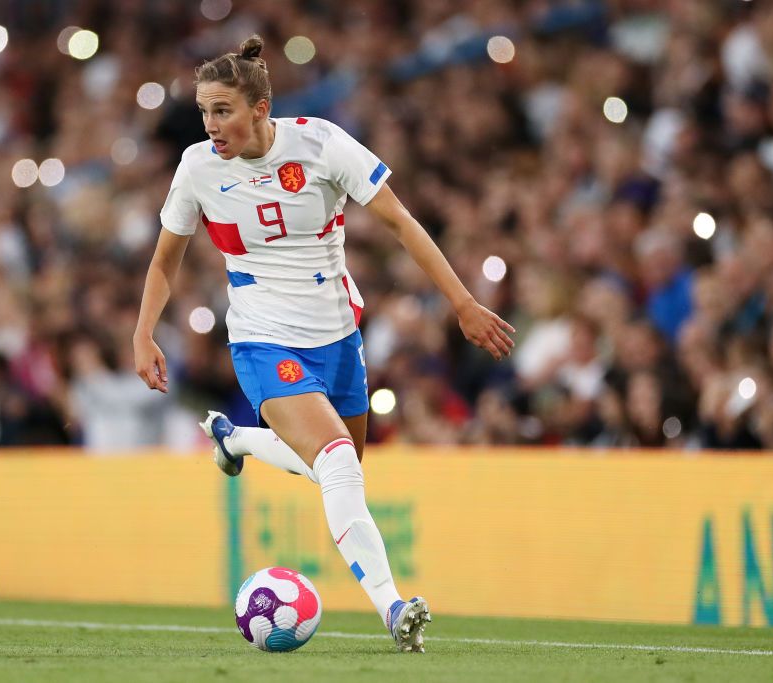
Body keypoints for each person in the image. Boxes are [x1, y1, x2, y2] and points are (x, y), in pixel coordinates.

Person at [134, 35, 515, 653]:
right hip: (262, 338)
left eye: (223, 110)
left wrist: (463, 303)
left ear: (261, 108)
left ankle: (241, 439)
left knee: (339, 470)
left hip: (338, 338)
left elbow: (400, 221)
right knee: (336, 461)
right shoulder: (197, 168)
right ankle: (394, 608)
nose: (211, 126)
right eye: (205, 111)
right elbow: (163, 262)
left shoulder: (320, 142)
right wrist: (143, 331)